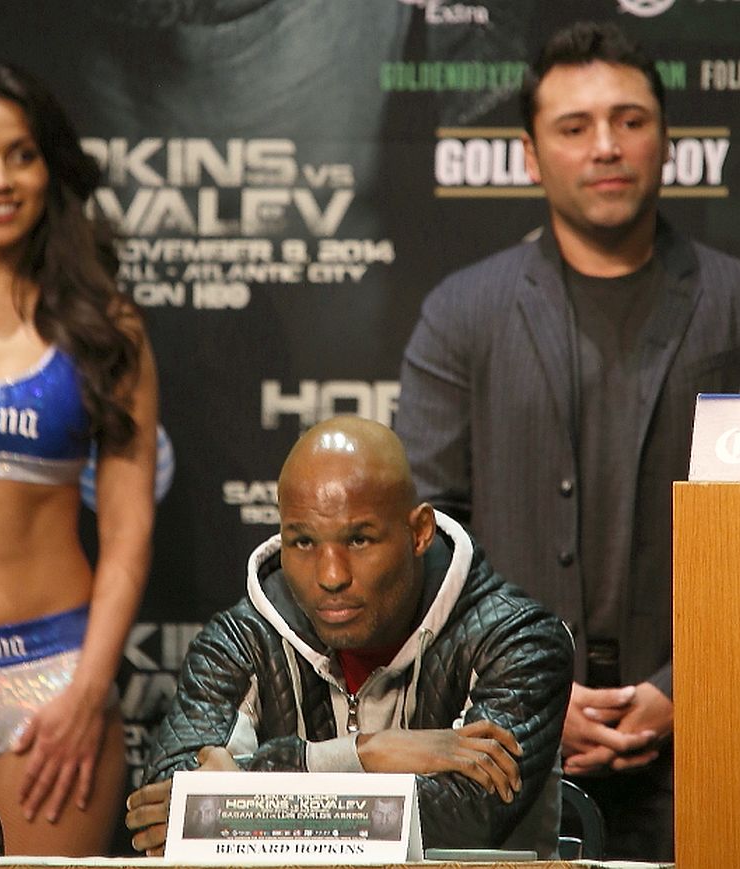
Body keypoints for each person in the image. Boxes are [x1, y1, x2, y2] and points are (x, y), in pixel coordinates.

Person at [395, 20, 740, 861]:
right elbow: (426, 540)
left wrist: (691, 684)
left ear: (668, 138)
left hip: (715, 740)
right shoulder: (463, 314)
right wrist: (534, 689)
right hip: (507, 754)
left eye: (630, 120)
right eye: (574, 126)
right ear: (529, 154)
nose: (606, 146)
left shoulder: (733, 305)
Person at [0, 61, 158, 855]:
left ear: (51, 168)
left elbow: (127, 531)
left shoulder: (106, 327)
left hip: (53, 680)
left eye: (21, 154)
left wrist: (88, 690)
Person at [125, 417, 573, 857]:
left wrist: (242, 791)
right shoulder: (242, 640)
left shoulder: (519, 641)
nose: (331, 576)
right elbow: (165, 814)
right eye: (304, 543)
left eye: (358, 540)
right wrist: (366, 752)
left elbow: (469, 819)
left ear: (419, 532)